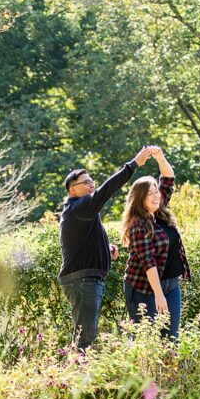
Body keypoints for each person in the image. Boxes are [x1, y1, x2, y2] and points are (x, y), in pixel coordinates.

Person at [59, 145, 157, 349]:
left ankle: (76, 374)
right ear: (72, 189)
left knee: (84, 335)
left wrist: (106, 246)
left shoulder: (80, 212)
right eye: (85, 183)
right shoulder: (79, 207)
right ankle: (77, 378)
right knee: (85, 338)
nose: (91, 185)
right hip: (83, 280)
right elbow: (106, 191)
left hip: (87, 279)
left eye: (91, 181)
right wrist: (134, 164)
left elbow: (81, 240)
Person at [120, 147, 191, 339]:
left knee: (171, 339)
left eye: (156, 192)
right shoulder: (138, 225)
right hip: (144, 288)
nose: (156, 196)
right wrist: (158, 294)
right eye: (149, 194)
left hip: (171, 285)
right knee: (146, 339)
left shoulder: (159, 211)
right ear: (139, 199)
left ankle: (169, 370)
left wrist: (159, 157)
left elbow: (168, 179)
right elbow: (148, 261)